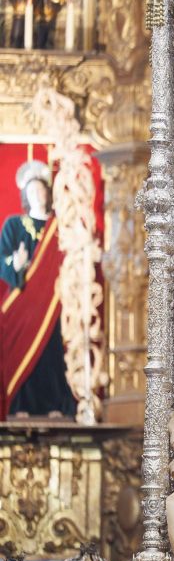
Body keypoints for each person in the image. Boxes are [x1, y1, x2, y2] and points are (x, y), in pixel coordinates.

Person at [0, 160, 75, 419]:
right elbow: (3, 260)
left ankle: (55, 403)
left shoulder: (60, 226)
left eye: (41, 190)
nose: (38, 195)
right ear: (25, 195)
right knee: (20, 350)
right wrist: (16, 264)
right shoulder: (14, 225)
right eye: (32, 191)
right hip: (22, 301)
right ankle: (20, 405)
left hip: (52, 301)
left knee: (51, 350)